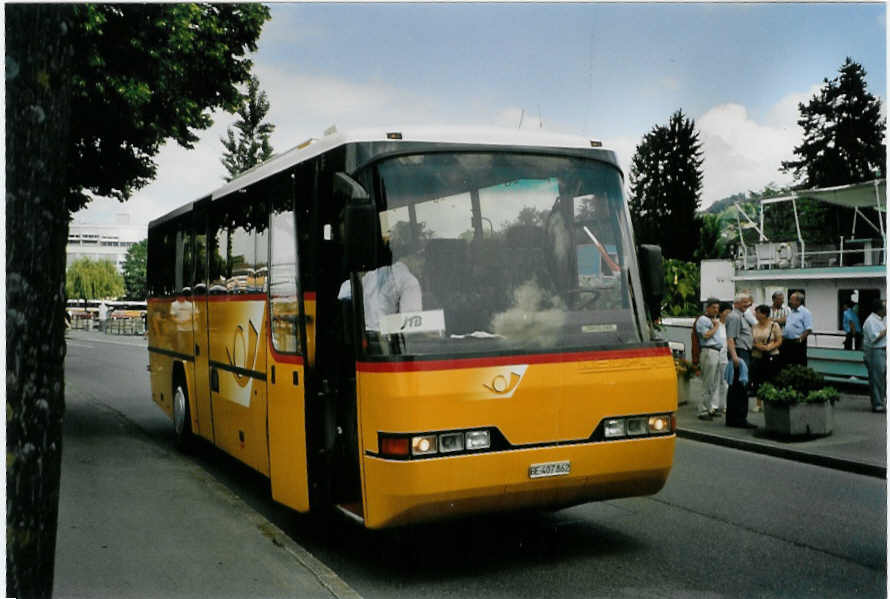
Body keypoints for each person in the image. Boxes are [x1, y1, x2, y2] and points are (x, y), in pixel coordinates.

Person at [338, 262, 422, 331]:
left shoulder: (373, 275)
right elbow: (412, 325)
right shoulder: (409, 281)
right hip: (387, 341)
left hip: (366, 337)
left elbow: (343, 293)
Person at [725, 292, 756, 428]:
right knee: (740, 386)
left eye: (748, 302)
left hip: (743, 352)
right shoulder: (734, 317)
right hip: (739, 352)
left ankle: (735, 418)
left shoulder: (741, 316)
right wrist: (734, 356)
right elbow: (730, 338)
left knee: (738, 386)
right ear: (736, 303)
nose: (747, 305)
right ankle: (738, 418)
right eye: (744, 302)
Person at [694, 298, 723, 421]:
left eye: (717, 308)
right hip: (708, 350)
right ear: (708, 308)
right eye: (714, 308)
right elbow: (705, 335)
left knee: (714, 382)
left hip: (716, 351)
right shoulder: (703, 320)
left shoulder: (713, 320)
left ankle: (710, 407)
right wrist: (716, 326)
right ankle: (703, 410)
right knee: (707, 381)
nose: (716, 310)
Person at [750, 304, 783, 412]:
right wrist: (757, 346)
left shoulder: (774, 325)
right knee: (758, 379)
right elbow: (751, 340)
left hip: (771, 355)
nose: (755, 315)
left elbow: (779, 340)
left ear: (764, 314)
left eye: (758, 312)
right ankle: (758, 404)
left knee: (771, 379)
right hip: (757, 355)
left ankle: (771, 402)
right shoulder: (754, 326)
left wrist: (769, 347)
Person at [862, 299, 886, 413]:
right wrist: (885, 331)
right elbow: (874, 338)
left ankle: (881, 401)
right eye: (885, 307)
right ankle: (877, 404)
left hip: (882, 350)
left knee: (882, 378)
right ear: (879, 310)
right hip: (874, 351)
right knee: (876, 379)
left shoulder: (881, 319)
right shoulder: (870, 321)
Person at [710, 302, 732, 418]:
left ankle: (726, 405)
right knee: (715, 381)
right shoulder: (716, 324)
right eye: (726, 312)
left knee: (726, 382)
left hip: (726, 357)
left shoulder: (730, 325)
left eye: (730, 312)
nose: (728, 315)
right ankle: (714, 405)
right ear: (721, 313)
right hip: (715, 355)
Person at [782, 291, 813, 367]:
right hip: (787, 342)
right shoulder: (791, 312)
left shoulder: (805, 312)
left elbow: (808, 329)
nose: (790, 302)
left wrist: (800, 340)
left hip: (797, 342)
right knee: (787, 363)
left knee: (799, 363)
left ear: (798, 301)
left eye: (791, 300)